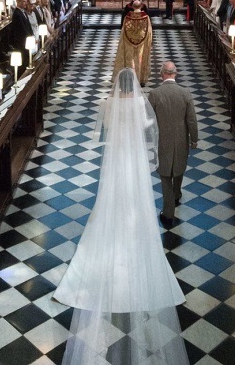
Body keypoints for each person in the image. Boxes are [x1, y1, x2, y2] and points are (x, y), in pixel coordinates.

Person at [54, 68, 188, 365]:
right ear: (135, 86)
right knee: (135, 194)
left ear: (117, 85)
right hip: (135, 156)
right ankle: (133, 225)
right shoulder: (140, 104)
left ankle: (114, 225)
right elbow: (145, 127)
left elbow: (101, 130)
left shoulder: (108, 103)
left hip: (116, 155)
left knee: (111, 193)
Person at [147, 62, 198, 228]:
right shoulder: (185, 93)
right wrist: (194, 139)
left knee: (165, 175)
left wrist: (148, 140)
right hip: (181, 140)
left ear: (162, 74)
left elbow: (149, 120)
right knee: (178, 169)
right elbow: (191, 119)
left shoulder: (154, 94)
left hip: (162, 141)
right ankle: (176, 195)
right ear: (175, 74)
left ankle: (168, 214)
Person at [113, 0, 152, 85]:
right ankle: (141, 79)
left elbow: (123, 31)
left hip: (128, 42)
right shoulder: (146, 17)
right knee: (140, 60)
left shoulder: (127, 17)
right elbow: (149, 32)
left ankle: (130, 79)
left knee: (130, 60)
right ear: (141, 6)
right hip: (142, 43)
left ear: (133, 7)